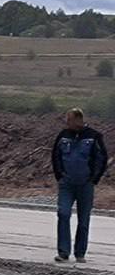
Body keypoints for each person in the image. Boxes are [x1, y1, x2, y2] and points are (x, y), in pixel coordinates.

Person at [51, 108, 108, 262]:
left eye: (69, 119)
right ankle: (63, 252)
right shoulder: (63, 136)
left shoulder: (94, 136)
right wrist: (60, 175)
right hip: (66, 184)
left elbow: (101, 159)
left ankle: (80, 253)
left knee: (83, 220)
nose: (66, 122)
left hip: (85, 185)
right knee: (63, 214)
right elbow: (55, 156)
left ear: (78, 119)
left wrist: (94, 179)